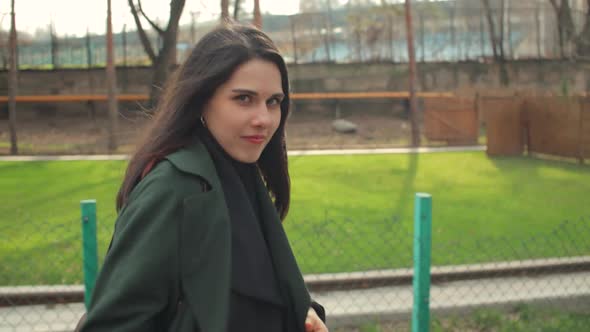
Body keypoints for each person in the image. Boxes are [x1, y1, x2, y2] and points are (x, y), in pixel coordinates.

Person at [79, 23, 327, 332]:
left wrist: (301, 313)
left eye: (273, 101)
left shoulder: (241, 176)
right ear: (200, 99)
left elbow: (250, 293)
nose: (263, 119)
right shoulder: (173, 189)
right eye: (243, 99)